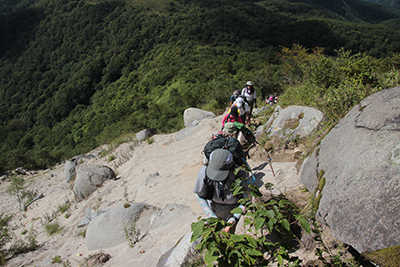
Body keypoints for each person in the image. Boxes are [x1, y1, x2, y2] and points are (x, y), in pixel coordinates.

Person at [193, 149, 248, 233]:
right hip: (216, 210)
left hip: (236, 209)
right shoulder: (204, 173)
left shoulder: (240, 175)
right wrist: (211, 215)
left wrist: (234, 218)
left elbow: (247, 200)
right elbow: (199, 195)